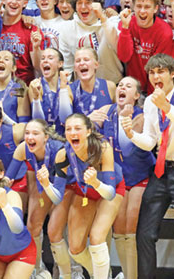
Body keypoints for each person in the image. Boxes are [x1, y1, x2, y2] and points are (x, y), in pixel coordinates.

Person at [120, 53, 174, 278]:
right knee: (145, 234)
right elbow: (151, 140)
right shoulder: (150, 101)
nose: (155, 76)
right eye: (152, 72)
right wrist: (131, 134)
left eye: (160, 71)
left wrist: (167, 107)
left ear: (172, 74)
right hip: (161, 172)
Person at [39, 113, 124, 279]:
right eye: (69, 129)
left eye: (78, 128)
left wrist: (96, 183)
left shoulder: (102, 147)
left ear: (88, 131)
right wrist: (47, 185)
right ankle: (101, 274)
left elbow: (110, 193)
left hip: (108, 190)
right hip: (86, 191)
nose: (72, 133)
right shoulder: (63, 155)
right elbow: (57, 197)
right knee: (75, 249)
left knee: (97, 237)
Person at [95, 76, 155, 279]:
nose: (122, 87)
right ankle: (128, 273)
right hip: (118, 176)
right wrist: (91, 117)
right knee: (119, 228)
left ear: (137, 95)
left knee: (130, 224)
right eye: (120, 85)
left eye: (128, 86)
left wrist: (123, 120)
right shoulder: (107, 111)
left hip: (139, 173)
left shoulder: (141, 116)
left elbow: (128, 149)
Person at [5, 119, 64, 277]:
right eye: (27, 133)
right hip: (43, 184)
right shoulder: (23, 149)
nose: (30, 137)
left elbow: (59, 192)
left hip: (65, 187)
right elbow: (8, 179)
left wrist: (47, 185)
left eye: (35, 133)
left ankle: (69, 272)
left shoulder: (60, 151)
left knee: (56, 230)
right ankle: (36, 269)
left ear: (46, 137)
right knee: (32, 226)